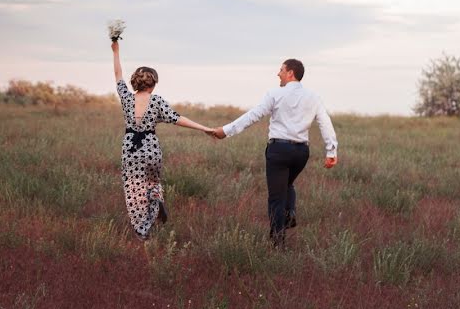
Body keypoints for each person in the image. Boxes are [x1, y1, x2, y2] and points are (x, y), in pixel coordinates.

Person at [210, 59, 338, 248]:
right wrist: (331, 150)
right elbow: (325, 123)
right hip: (301, 152)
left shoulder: (275, 94)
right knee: (287, 184)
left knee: (276, 197)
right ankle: (290, 213)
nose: (278, 73)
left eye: (281, 70)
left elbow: (253, 115)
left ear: (290, 73)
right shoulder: (313, 97)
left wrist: (226, 131)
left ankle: (277, 242)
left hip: (279, 150)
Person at [112, 40, 214, 240]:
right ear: (153, 84)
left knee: (134, 189)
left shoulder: (126, 98)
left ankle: (142, 230)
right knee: (152, 181)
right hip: (151, 149)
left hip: (131, 149)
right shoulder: (157, 101)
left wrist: (116, 50)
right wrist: (204, 128)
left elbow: (117, 75)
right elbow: (177, 119)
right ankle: (156, 198)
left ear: (135, 83)